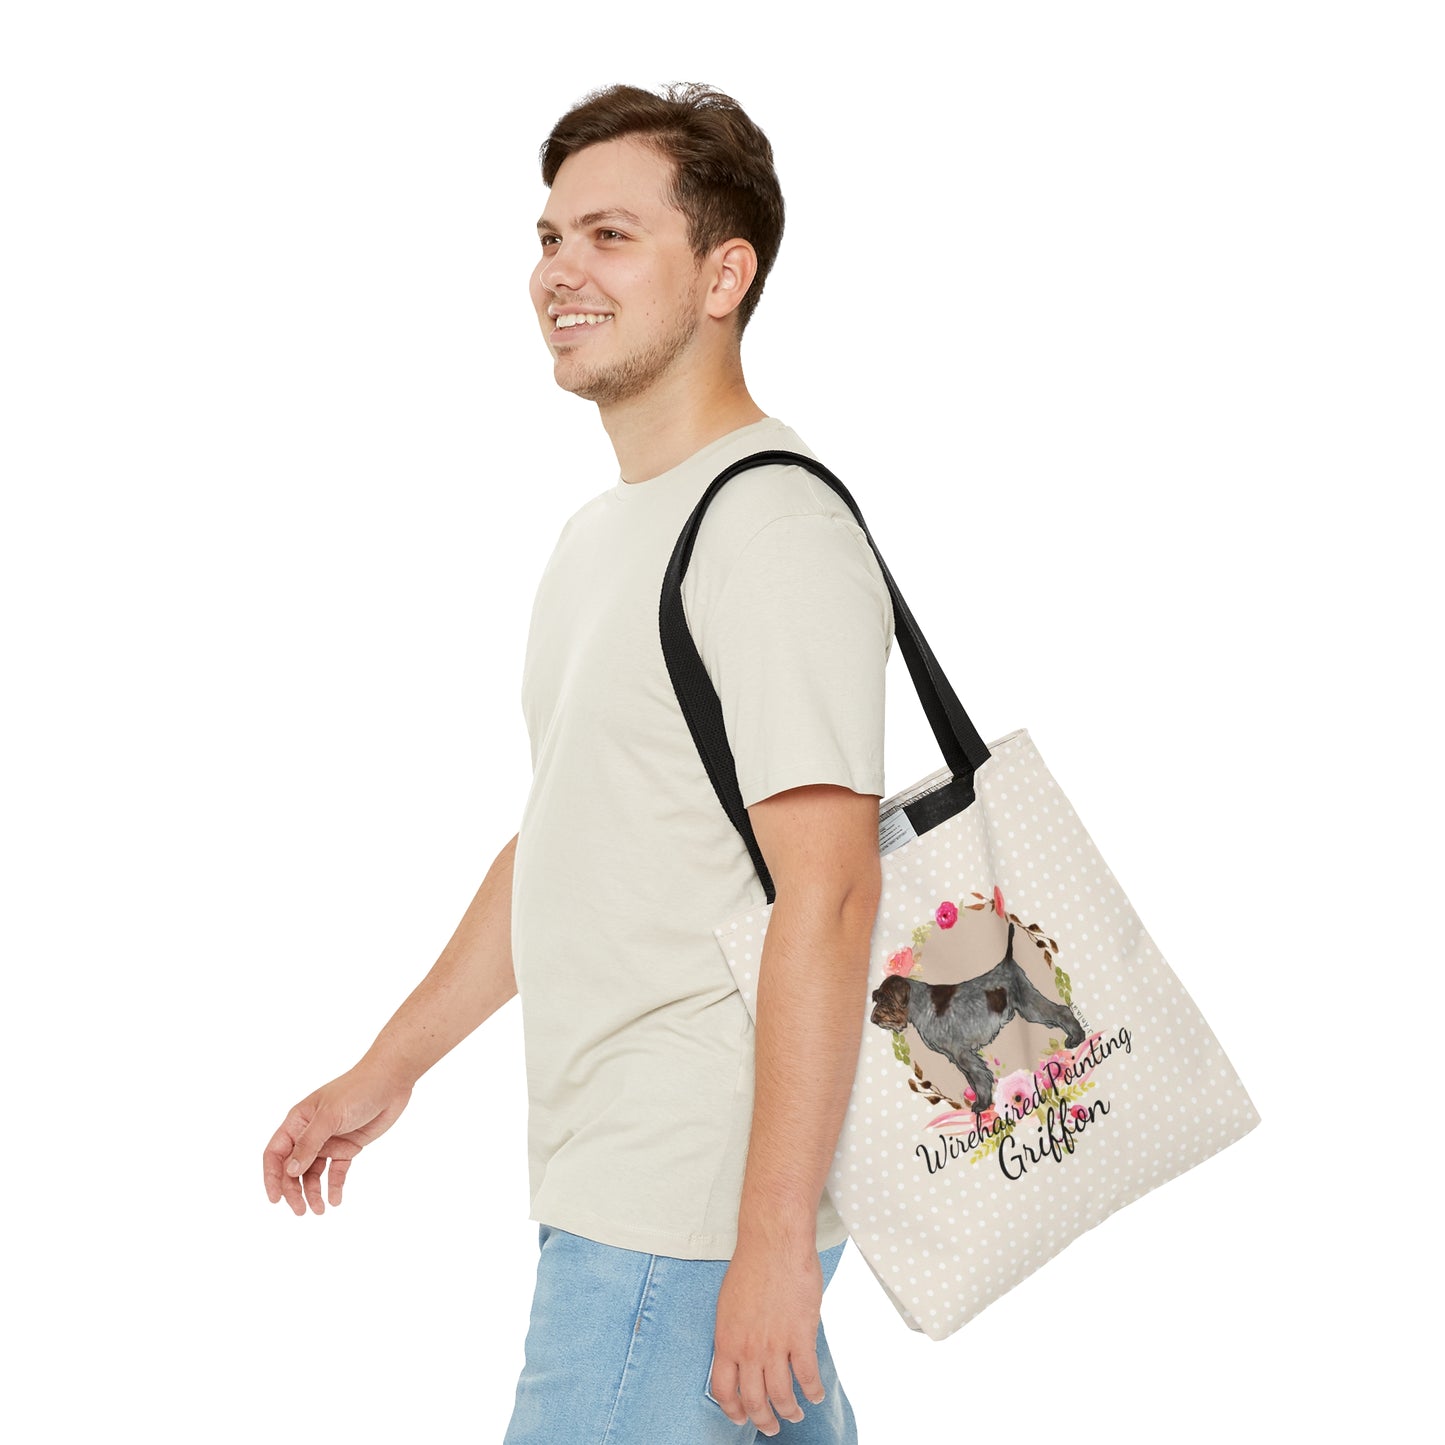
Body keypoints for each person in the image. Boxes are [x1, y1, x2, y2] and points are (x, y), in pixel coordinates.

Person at [262, 82, 894, 1443]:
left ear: (723, 275)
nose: (560, 270)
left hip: (679, 1215)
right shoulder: (603, 537)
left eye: (611, 235)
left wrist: (771, 1244)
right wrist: (387, 1069)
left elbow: (833, 891)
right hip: (628, 1192)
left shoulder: (768, 527)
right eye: (550, 237)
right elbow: (567, 841)